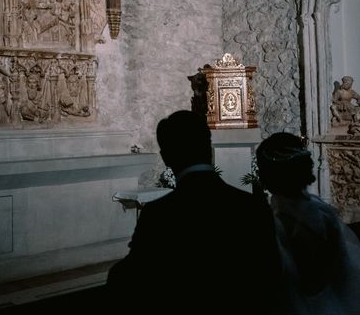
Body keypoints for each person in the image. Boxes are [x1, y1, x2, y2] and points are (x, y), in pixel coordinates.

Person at [106, 110, 282, 312]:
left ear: (166, 157)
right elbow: (272, 278)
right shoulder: (253, 208)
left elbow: (130, 279)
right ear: (208, 147)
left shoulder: (159, 215)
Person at [255, 132, 360, 315]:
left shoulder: (293, 221)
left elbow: (310, 283)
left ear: (271, 175)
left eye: (261, 169)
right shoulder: (319, 209)